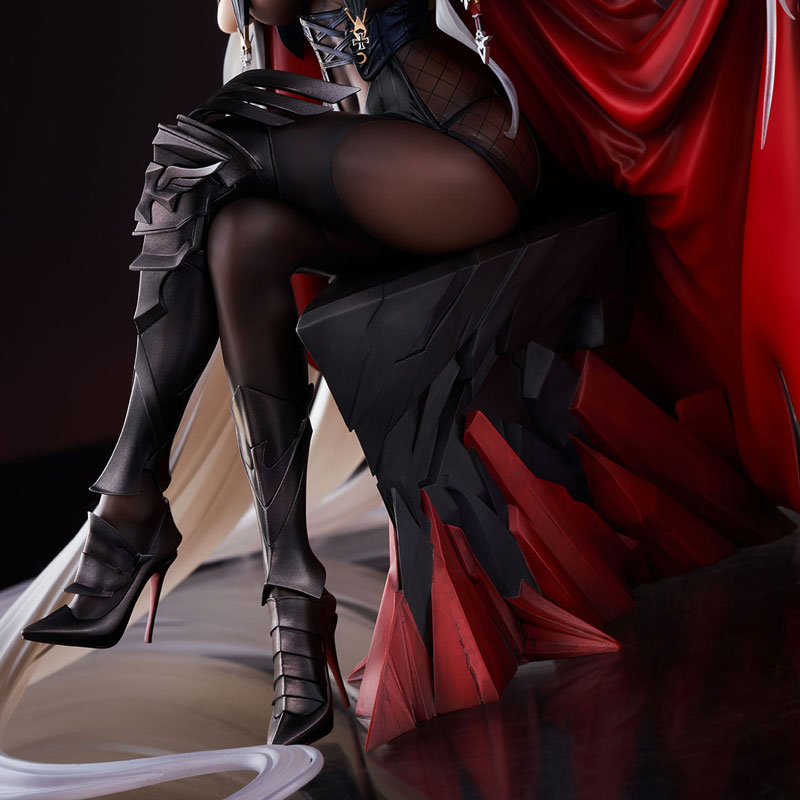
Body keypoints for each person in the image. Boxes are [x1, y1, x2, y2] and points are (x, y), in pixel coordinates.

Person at [19, 0, 539, 747]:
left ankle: (130, 503)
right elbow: (239, 22)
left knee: (192, 162)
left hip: (465, 158)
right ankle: (293, 585)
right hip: (387, 166)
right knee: (241, 236)